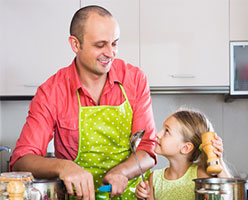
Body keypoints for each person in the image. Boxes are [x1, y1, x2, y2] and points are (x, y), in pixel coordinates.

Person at [10, 5, 157, 200]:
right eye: (100, 45)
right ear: (75, 44)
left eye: (114, 43)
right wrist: (63, 166)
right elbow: (21, 161)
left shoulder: (134, 79)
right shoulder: (52, 91)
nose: (111, 53)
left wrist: (122, 172)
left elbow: (147, 148)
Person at [135, 109, 231, 200]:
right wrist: (143, 196)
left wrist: (219, 161)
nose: (158, 134)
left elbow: (228, 194)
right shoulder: (154, 178)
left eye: (167, 131)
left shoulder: (200, 176)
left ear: (185, 148)